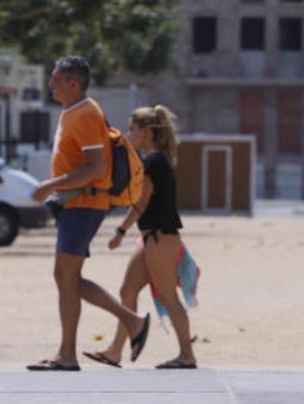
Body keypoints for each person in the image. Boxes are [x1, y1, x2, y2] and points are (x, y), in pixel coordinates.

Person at [27, 55, 149, 371]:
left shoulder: (85, 115)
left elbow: (95, 169)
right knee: (66, 276)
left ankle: (69, 354)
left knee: (66, 275)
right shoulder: (72, 112)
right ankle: (130, 323)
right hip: (75, 204)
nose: (50, 83)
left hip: (86, 203)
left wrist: (49, 185)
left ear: (73, 83)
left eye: (56, 79)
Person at [84, 105, 196, 369]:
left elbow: (142, 202)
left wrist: (120, 231)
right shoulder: (152, 160)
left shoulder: (154, 162)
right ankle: (114, 352)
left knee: (169, 297)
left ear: (145, 133)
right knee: (128, 290)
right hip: (150, 240)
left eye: (132, 129)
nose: (128, 133)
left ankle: (187, 355)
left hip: (161, 239)